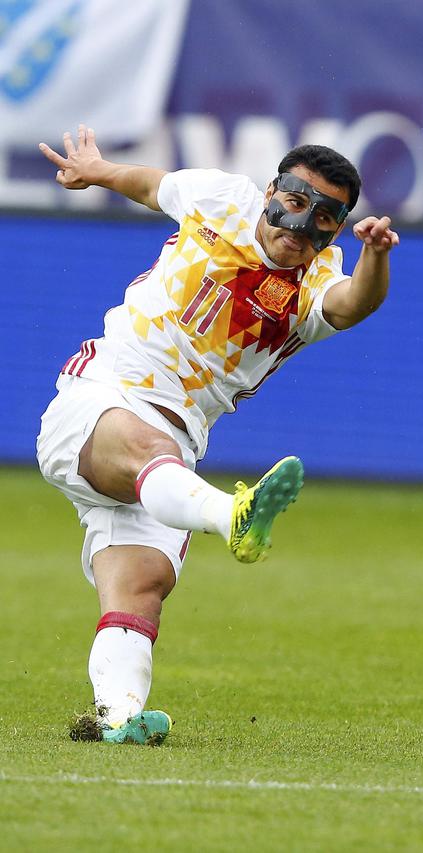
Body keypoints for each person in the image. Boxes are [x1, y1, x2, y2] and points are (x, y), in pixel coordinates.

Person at [36, 125, 399, 745]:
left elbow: (352, 305)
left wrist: (377, 256)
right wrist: (98, 171)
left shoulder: (318, 284)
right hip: (105, 396)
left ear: (338, 229)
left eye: (326, 218)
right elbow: (152, 186)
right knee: (150, 450)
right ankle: (232, 513)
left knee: (141, 588)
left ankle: (117, 717)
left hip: (175, 453)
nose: (302, 224)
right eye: (296, 200)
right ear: (271, 190)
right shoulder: (219, 198)